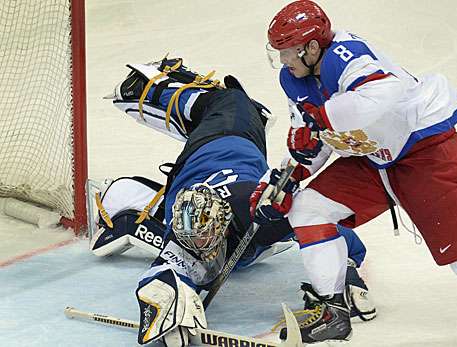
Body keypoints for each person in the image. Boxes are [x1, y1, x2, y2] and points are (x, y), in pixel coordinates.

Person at [253, 1, 457, 346]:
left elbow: (382, 93)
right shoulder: (294, 77)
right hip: (374, 160)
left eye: (288, 52)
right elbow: (309, 139)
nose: (283, 61)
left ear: (311, 48)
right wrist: (284, 180)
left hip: (427, 154)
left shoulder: (347, 56)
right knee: (307, 207)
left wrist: (321, 121)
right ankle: (333, 311)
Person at [92, 57, 376, 346]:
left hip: (231, 136)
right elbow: (159, 273)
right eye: (194, 241)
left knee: (234, 100)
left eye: (205, 239)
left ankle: (160, 86)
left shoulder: (255, 213)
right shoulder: (186, 233)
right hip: (192, 177)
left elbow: (322, 225)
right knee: (191, 241)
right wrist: (167, 305)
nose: (199, 248)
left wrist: (348, 270)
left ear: (224, 223)